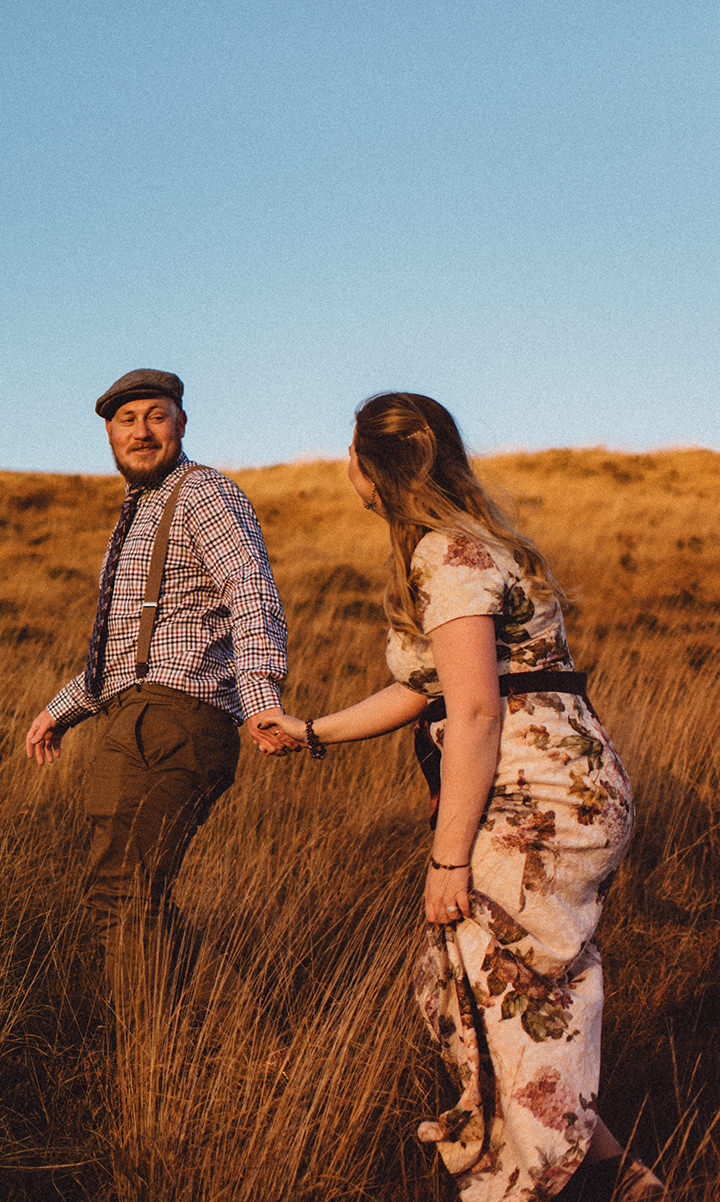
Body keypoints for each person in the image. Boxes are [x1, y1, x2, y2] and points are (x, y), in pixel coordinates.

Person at [258, 393, 663, 1202]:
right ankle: (613, 1174)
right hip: (569, 789)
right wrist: (309, 731)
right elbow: (429, 686)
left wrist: (449, 859)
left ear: (373, 468)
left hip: (532, 799)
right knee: (481, 985)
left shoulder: (445, 554)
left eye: (352, 453)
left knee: (514, 997)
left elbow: (474, 710)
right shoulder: (478, 544)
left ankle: (564, 1184)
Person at [25, 368, 293, 961]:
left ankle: (143, 1049)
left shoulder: (202, 492)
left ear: (181, 423)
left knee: (123, 894)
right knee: (135, 893)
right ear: (109, 433)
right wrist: (60, 709)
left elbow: (249, 590)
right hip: (136, 715)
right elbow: (132, 650)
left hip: (171, 719)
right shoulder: (138, 511)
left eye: (156, 415)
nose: (142, 431)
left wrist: (260, 697)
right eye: (128, 419)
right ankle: (178, 1030)